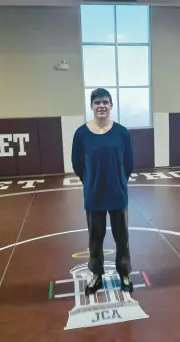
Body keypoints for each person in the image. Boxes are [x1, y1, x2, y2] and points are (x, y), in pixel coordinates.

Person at [71, 88, 135, 295]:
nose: (101, 106)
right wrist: (90, 182)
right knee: (95, 239)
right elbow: (77, 164)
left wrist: (119, 182)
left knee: (121, 237)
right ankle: (96, 275)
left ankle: (124, 273)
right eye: (97, 102)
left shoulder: (122, 133)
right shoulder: (81, 134)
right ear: (91, 106)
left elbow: (129, 163)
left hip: (117, 195)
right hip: (94, 195)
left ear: (111, 106)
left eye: (105, 102)